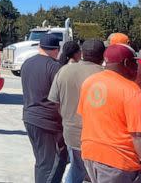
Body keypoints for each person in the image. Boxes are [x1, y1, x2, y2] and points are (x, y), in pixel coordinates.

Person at [78, 44, 141, 182]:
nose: (137, 66)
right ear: (126, 63)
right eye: (134, 62)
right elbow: (139, 137)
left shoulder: (89, 82)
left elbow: (85, 117)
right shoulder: (131, 90)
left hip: (90, 154)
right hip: (118, 162)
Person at [48, 39, 105, 183]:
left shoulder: (64, 70)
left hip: (72, 133)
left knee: (77, 168)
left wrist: (67, 117)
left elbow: (55, 102)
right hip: (98, 136)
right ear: (103, 55)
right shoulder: (106, 75)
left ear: (82, 53)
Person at [21, 33, 67, 183]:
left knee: (42, 162)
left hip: (29, 118)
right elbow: (61, 98)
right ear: (56, 50)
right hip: (47, 122)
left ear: (40, 47)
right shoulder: (55, 67)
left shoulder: (27, 63)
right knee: (52, 164)